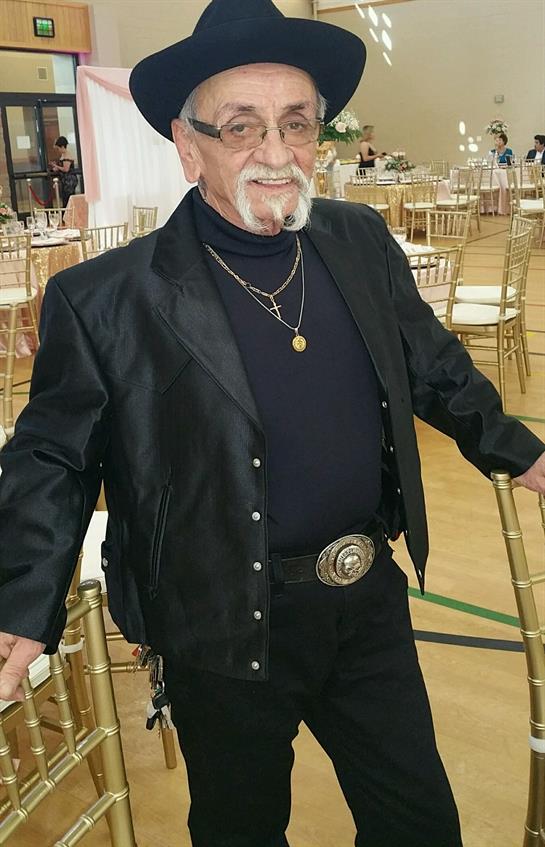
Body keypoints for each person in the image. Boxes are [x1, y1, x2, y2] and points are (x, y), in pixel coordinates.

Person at [1, 2, 544, 846]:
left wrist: (521, 449)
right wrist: (21, 599)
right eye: (242, 126)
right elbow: (52, 457)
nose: (276, 152)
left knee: (420, 822)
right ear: (189, 147)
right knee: (241, 828)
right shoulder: (108, 297)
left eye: (296, 125)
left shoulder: (357, 237)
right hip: (220, 619)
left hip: (366, 597)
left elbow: (431, 364)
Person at [49, 135, 78, 206]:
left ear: (62, 146)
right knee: (65, 200)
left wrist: (56, 166)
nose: (58, 150)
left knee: (67, 201)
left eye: (58, 148)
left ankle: (68, 216)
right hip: (66, 180)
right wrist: (56, 167)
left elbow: (66, 169)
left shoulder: (67, 155)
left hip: (69, 181)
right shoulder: (64, 155)